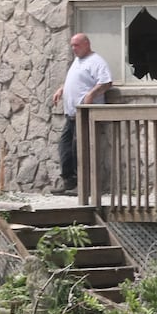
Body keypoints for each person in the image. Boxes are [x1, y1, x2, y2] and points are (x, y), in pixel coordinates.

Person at [50, 33, 112, 195]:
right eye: (72, 45)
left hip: (85, 113)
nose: (73, 49)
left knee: (81, 148)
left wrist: (92, 94)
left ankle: (83, 185)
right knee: (65, 147)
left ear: (86, 44)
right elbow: (76, 80)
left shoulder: (96, 61)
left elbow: (106, 82)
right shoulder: (78, 61)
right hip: (71, 114)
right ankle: (69, 181)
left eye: (76, 45)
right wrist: (62, 89)